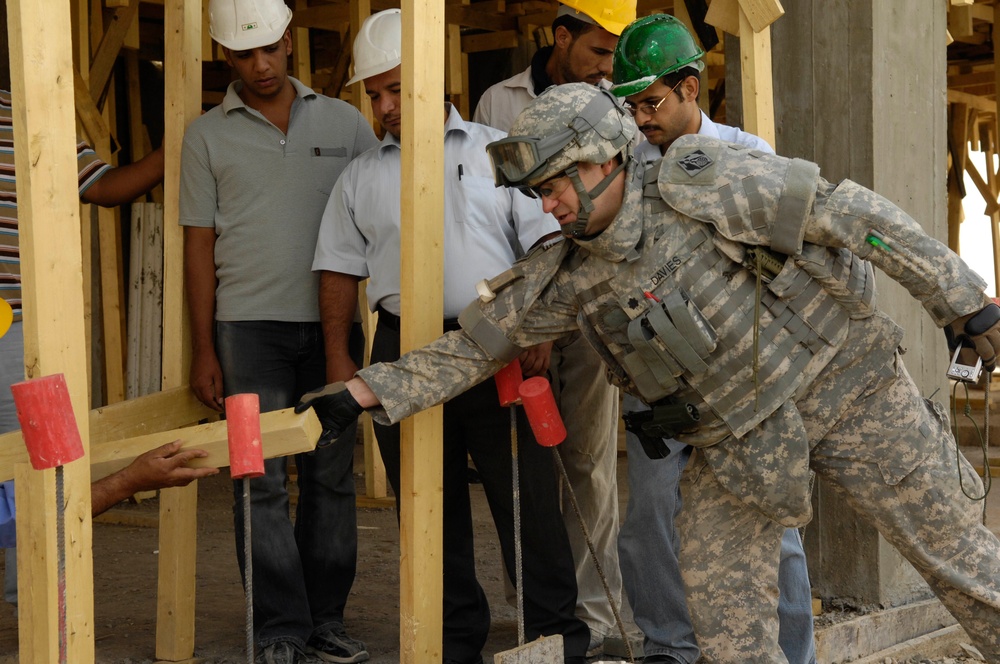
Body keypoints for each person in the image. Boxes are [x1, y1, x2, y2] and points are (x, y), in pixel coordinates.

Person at [297, 82, 1000, 663]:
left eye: (553, 186)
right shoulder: (571, 271)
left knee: (963, 565)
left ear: (600, 160)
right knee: (730, 634)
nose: (547, 205)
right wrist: (364, 391)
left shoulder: (706, 182)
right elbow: (476, 347)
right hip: (738, 445)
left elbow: (854, 216)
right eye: (538, 192)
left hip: (845, 385)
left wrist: (967, 305)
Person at [312, 10, 588, 664]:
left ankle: (557, 641)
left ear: (431, 78)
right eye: (372, 93)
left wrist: (538, 328)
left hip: (500, 344)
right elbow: (337, 268)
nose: (382, 106)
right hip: (403, 350)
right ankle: (453, 642)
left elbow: (549, 242)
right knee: (427, 508)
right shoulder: (361, 176)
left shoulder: (501, 154)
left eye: (393, 89)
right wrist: (338, 357)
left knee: (526, 503)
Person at [610, 15, 815, 664]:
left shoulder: (750, 157)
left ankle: (788, 654)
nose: (641, 118)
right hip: (653, 373)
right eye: (632, 105)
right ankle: (670, 650)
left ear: (691, 88)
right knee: (652, 524)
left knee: (767, 529)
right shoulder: (622, 171)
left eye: (651, 102)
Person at [179, 1, 378, 662]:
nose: (259, 65)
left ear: (290, 40)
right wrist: (205, 347)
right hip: (244, 333)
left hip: (333, 330)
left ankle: (325, 622)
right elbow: (198, 246)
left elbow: (380, 215)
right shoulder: (206, 135)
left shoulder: (347, 122)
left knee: (330, 477)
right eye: (242, 54)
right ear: (223, 57)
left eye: (268, 48)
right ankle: (278, 631)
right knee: (255, 477)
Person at [472, 2, 635, 654]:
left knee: (589, 462)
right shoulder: (497, 103)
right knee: (528, 472)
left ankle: (596, 620)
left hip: (593, 309)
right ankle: (543, 617)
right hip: (526, 307)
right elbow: (488, 211)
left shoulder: (614, 108)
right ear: (561, 36)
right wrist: (523, 322)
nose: (606, 68)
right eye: (598, 52)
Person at [1, 86, 178, 614]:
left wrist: (172, 152)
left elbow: (103, 186)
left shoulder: (29, 111)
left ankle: (32, 605)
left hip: (22, 325)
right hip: (22, 326)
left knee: (32, 468)